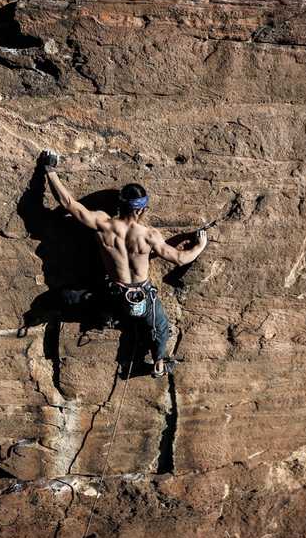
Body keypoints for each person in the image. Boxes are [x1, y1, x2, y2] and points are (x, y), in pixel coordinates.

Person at [39, 150, 207, 376]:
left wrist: (49, 170)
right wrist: (199, 246)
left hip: (115, 296)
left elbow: (69, 204)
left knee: (73, 296)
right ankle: (158, 360)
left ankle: (105, 316)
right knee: (160, 326)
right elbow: (179, 258)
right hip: (143, 296)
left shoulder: (103, 224)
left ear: (121, 205)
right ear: (141, 209)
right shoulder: (149, 235)